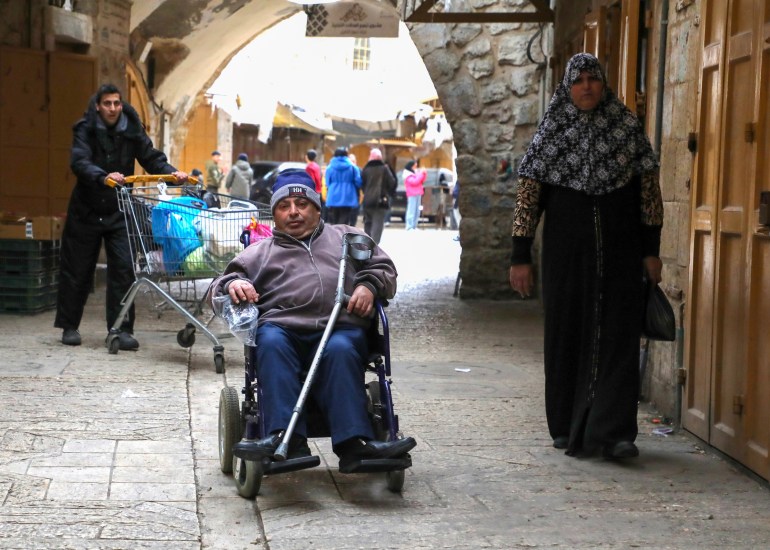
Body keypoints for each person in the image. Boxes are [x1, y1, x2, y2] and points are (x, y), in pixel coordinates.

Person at [509, 53, 663, 460]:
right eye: (578, 81)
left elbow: (648, 195)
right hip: (566, 257)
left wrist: (652, 251)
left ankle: (613, 433)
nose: (587, 87)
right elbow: (528, 200)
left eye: (593, 79)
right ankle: (564, 424)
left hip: (621, 255)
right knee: (566, 332)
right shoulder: (551, 132)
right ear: (568, 87)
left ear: (604, 83)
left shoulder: (626, 128)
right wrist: (519, 254)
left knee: (617, 336)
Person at [207, 170, 416, 467]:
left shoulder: (346, 238)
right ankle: (286, 440)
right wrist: (233, 284)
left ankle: (354, 446)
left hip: (340, 329)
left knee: (341, 349)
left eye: (301, 204)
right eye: (284, 206)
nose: (293, 212)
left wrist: (368, 285)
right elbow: (219, 286)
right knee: (270, 340)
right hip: (284, 330)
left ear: (317, 209)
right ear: (275, 214)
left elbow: (385, 268)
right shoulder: (259, 252)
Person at [55, 83, 188, 348]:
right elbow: (79, 161)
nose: (113, 108)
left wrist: (173, 174)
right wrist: (102, 176)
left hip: (119, 209)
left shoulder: (132, 128)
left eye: (116, 103)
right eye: (107, 103)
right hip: (86, 209)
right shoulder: (85, 128)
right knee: (77, 269)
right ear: (98, 106)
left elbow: (150, 157)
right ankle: (69, 326)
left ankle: (121, 329)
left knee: (124, 269)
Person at [361, 148, 396, 244]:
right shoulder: (384, 168)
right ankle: (374, 246)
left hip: (368, 200)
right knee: (378, 224)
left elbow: (362, 183)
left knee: (368, 222)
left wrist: (367, 192)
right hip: (381, 200)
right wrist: (387, 192)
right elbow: (392, 182)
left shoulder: (366, 169)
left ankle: (366, 245)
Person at [324, 147, 362, 225]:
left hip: (333, 195)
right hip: (348, 196)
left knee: (334, 220)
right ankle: (342, 234)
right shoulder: (353, 167)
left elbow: (327, 183)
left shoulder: (330, 168)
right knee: (345, 218)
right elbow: (358, 182)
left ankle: (335, 235)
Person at [403, 159, 427, 231]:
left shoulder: (414, 173)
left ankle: (414, 226)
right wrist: (421, 174)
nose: (415, 167)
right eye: (415, 166)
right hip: (412, 194)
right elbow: (415, 182)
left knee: (417, 211)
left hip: (418, 193)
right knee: (411, 210)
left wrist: (424, 174)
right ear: (411, 166)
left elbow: (421, 180)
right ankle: (409, 226)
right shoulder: (407, 174)